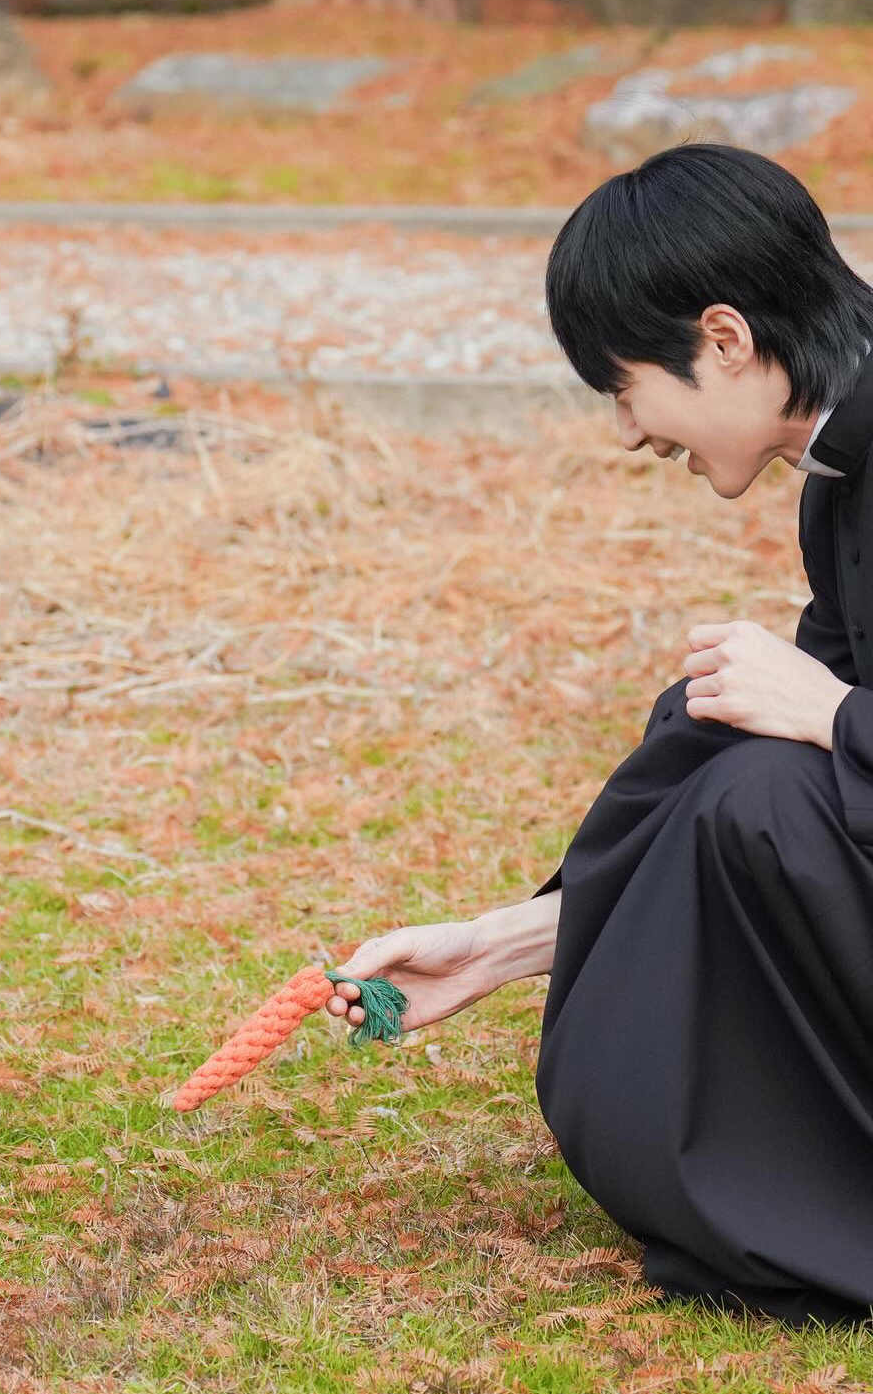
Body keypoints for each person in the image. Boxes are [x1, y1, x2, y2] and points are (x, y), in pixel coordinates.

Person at [326, 143, 873, 1330]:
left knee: (763, 790)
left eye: (625, 386)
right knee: (715, 719)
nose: (629, 432)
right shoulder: (843, 472)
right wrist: (501, 945)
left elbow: (820, 761)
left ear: (723, 339)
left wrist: (830, 713)